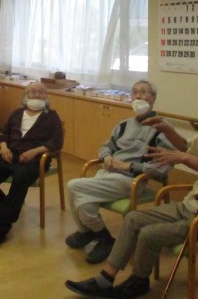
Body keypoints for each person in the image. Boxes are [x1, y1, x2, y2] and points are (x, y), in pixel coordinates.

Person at [65, 82, 198, 299]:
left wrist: (184, 158)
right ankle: (105, 279)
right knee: (133, 219)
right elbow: (188, 147)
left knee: (149, 234)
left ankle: (138, 281)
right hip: (192, 204)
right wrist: (167, 129)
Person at [65, 80, 176, 264]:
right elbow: (105, 146)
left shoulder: (162, 128)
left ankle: (93, 234)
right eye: (135, 92)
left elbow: (164, 167)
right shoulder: (123, 125)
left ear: (153, 98)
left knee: (73, 186)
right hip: (108, 175)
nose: (138, 96)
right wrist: (107, 156)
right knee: (83, 201)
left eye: (143, 92)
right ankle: (98, 236)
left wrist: (130, 166)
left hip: (132, 180)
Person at [0, 82, 63, 251]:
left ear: (46, 96)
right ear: (25, 95)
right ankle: (5, 216)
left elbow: (57, 142)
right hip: (10, 155)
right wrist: (4, 148)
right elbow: (3, 134)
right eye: (32, 92)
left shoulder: (52, 117)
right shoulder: (16, 114)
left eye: (40, 92)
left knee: (20, 178)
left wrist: (34, 152)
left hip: (35, 160)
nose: (36, 95)